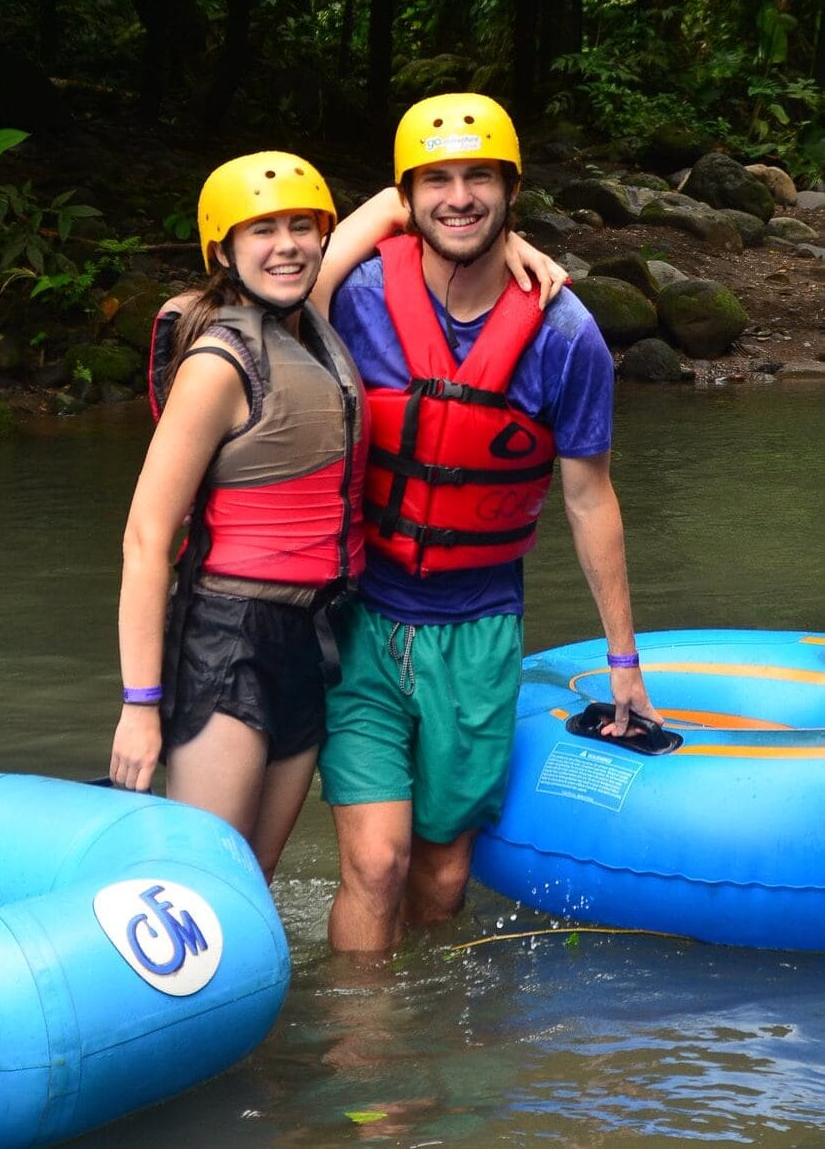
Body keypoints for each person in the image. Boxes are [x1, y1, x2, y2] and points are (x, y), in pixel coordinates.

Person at [316, 92, 662, 951]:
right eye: (435, 181)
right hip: (363, 617)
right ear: (406, 195)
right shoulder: (358, 296)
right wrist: (399, 199)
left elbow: (590, 498)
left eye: (480, 178)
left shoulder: (565, 333)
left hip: (478, 632)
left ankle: (433, 1058)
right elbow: (283, 292)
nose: (458, 197)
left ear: (514, 189)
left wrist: (625, 662)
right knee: (376, 864)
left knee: (440, 877)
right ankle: (365, 1077)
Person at [108, 151, 370, 882]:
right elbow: (146, 538)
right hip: (229, 638)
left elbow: (392, 205)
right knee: (205, 885)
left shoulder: (307, 317)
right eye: (262, 230)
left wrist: (512, 240)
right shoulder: (219, 364)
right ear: (224, 249)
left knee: (255, 880)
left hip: (311, 636)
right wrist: (140, 705)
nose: (285, 244)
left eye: (301, 226)